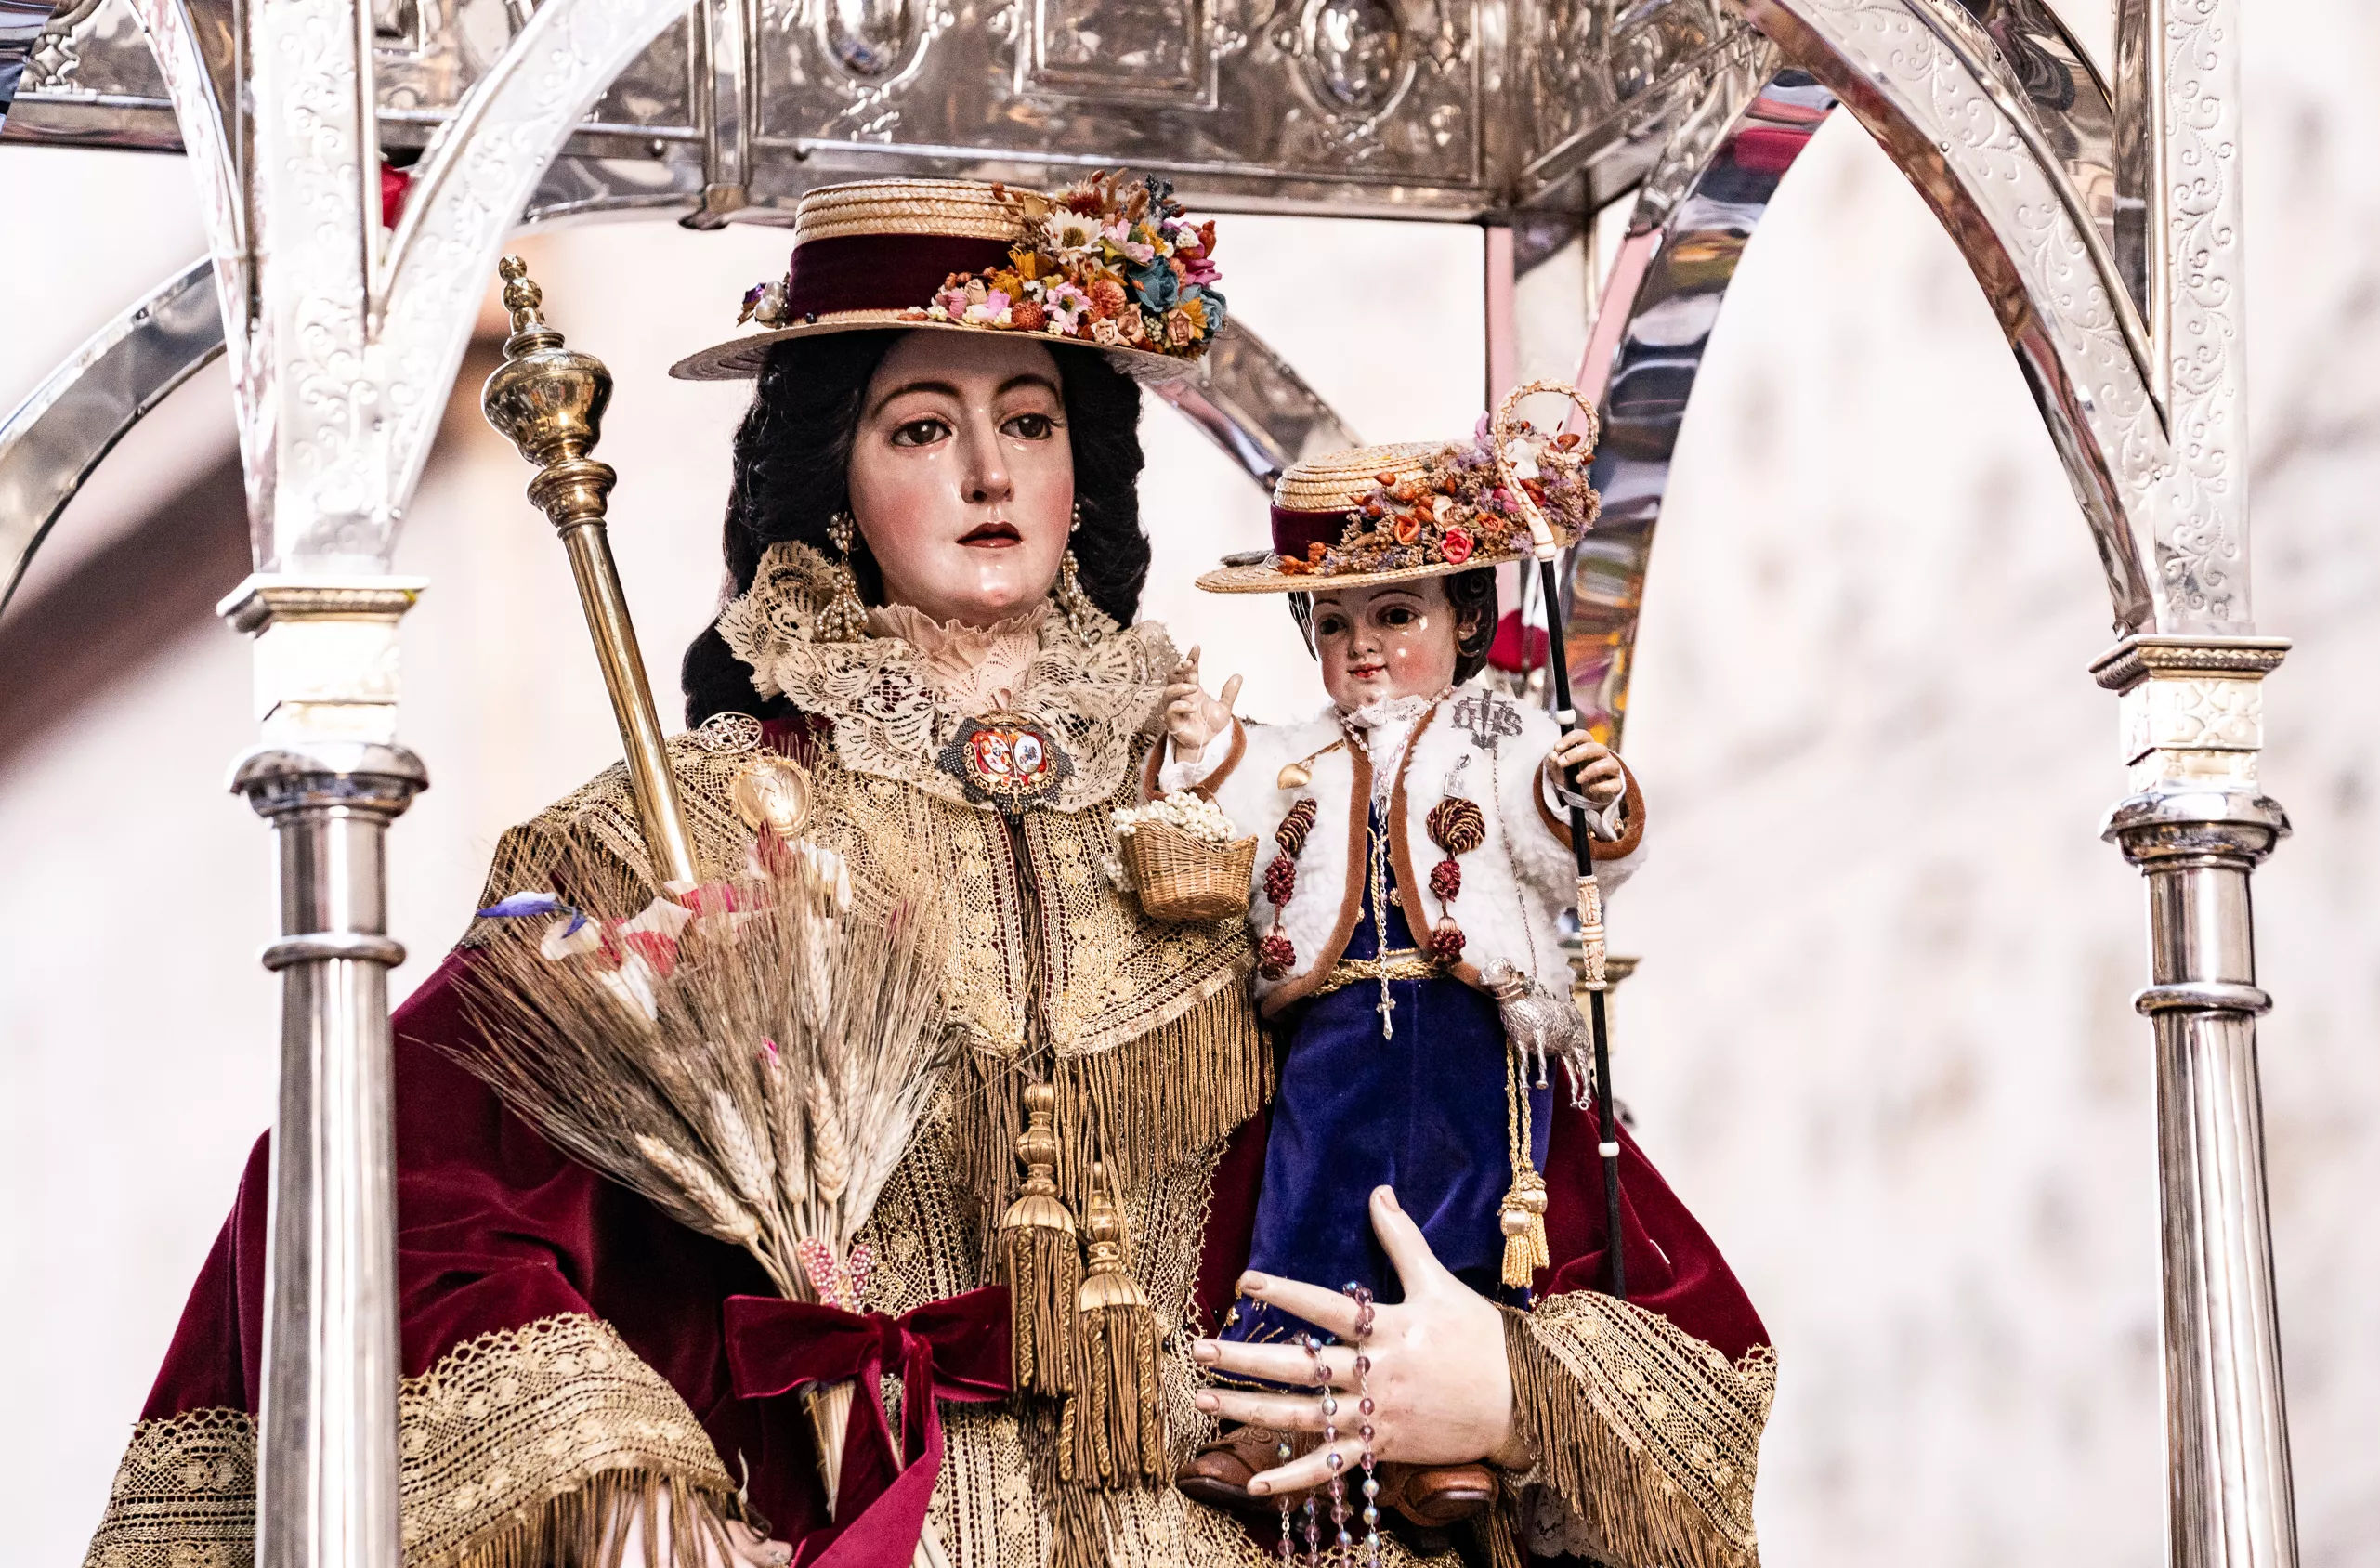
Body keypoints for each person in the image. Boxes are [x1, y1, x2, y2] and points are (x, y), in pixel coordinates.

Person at [83, 175, 1775, 1568]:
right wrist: (619, 1475)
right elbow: (389, 1185)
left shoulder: (1271, 826)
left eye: (1027, 418)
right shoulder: (684, 837)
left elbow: (1543, 1172)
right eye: (921, 424)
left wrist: (1499, 1377)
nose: (986, 472)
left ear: (1079, 465)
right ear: (834, 477)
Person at [1151, 432, 1641, 1530]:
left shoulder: (1503, 732)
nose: (1363, 646)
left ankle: (1440, 1441)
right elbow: (1235, 806)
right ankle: (1270, 1410)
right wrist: (1201, 741)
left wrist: (1592, 789)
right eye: (1335, 623)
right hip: (1335, 1018)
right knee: (1311, 1196)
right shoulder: (1301, 750)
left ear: (1465, 619)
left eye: (1396, 615)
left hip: (1466, 1013)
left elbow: (1568, 833)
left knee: (1455, 1209)